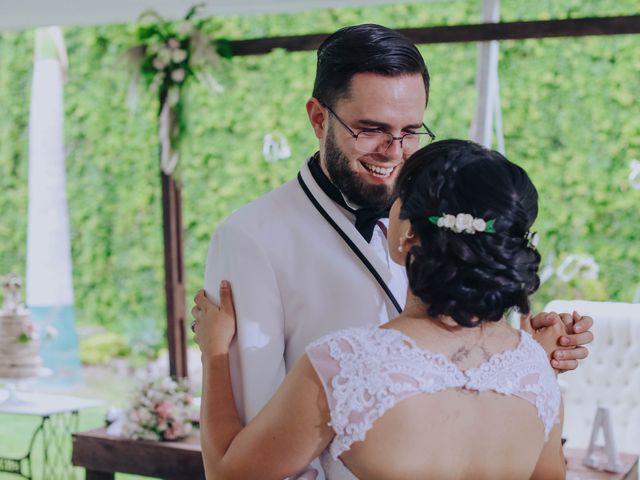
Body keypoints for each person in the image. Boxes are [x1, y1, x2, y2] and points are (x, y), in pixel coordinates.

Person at [202, 23, 591, 477]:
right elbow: (257, 441)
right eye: (371, 129)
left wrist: (523, 354)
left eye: (411, 131)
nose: (394, 151)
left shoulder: (438, 206)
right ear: (318, 118)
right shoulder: (251, 239)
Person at [193, 139, 568, 479]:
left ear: (408, 235)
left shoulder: (346, 366)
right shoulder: (537, 371)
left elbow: (229, 475)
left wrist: (215, 352)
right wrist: (530, 351)